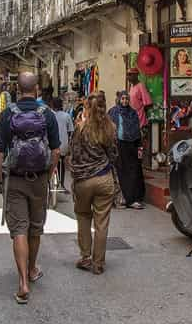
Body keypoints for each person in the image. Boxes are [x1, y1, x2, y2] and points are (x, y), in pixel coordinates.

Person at [0, 72, 61, 304]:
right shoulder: (48, 115)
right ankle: (32, 269)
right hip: (40, 178)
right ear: (37, 90)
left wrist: (1, 179)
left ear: (17, 89)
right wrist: (49, 174)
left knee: (19, 230)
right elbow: (56, 151)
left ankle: (22, 283)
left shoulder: (7, 115)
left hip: (15, 178)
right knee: (35, 228)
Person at [70, 94, 118, 275]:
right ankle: (98, 263)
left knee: (83, 216)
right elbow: (114, 155)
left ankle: (85, 258)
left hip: (83, 181)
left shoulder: (80, 129)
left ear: (87, 108)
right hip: (104, 178)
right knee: (102, 222)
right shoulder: (110, 128)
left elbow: (73, 155)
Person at [109, 91, 146, 209]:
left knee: (133, 171)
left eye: (126, 99)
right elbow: (109, 128)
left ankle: (132, 199)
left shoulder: (133, 113)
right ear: (119, 99)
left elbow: (137, 130)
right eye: (122, 99)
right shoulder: (113, 112)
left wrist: (139, 146)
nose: (124, 101)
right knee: (120, 172)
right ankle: (122, 198)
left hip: (131, 146)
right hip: (118, 146)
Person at [51, 97, 74, 193]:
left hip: (52, 145)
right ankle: (62, 184)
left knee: (51, 162)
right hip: (63, 145)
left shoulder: (50, 115)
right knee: (62, 164)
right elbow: (70, 131)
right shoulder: (66, 116)